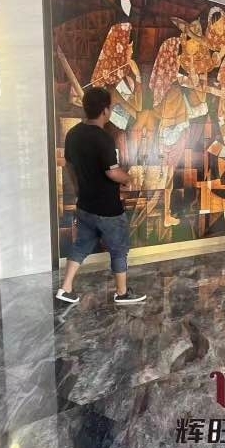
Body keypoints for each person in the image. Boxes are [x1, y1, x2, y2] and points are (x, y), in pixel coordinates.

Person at [55, 87, 147, 305]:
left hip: (85, 205)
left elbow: (70, 166)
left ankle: (65, 288)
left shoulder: (73, 134)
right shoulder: (103, 138)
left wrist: (79, 188)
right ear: (105, 110)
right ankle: (122, 293)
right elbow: (112, 172)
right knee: (119, 249)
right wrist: (129, 179)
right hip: (108, 208)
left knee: (81, 245)